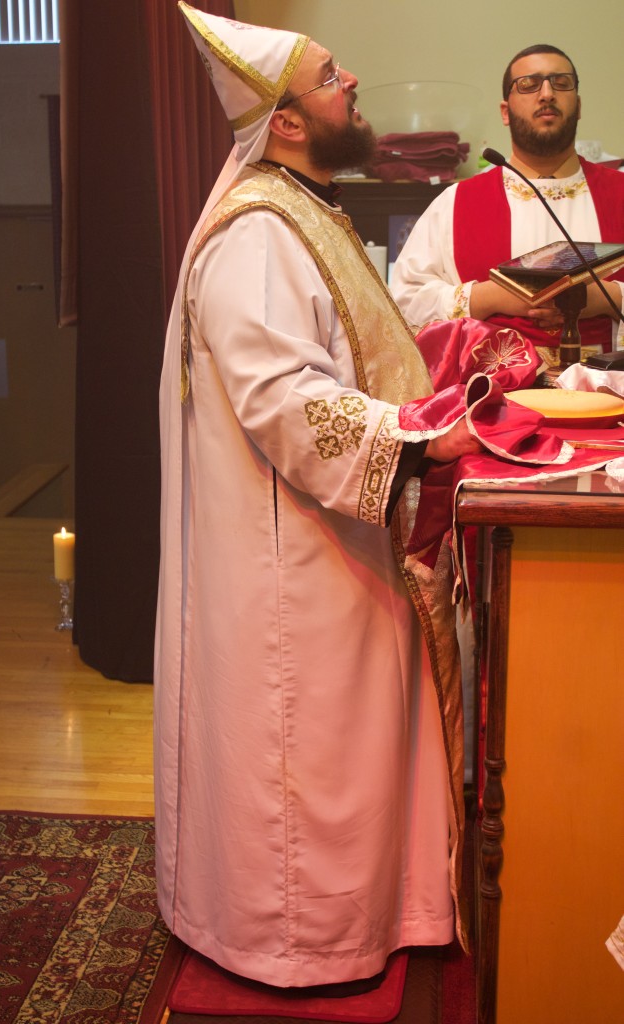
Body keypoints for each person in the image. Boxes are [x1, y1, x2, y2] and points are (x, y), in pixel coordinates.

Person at [154, 3, 480, 989]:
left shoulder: (306, 209)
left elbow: (348, 356)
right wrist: (413, 439)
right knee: (306, 754)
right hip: (287, 555)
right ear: (286, 120)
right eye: (331, 77)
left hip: (329, 533)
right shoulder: (256, 233)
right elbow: (283, 400)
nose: (352, 84)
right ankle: (295, 937)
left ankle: (380, 907)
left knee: (356, 744)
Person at [391, 44, 624, 367]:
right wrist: (488, 297)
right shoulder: (456, 203)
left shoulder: (619, 193)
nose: (547, 94)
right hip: (493, 390)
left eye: (561, 83)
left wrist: (609, 298)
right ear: (505, 111)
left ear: (579, 105)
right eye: (529, 84)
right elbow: (403, 303)